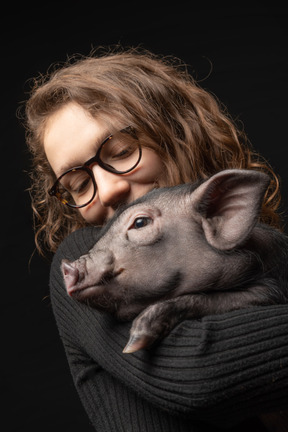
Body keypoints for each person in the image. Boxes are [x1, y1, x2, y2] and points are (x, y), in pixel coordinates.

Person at [25, 48, 288, 431]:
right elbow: (201, 373)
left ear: (177, 134)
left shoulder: (265, 253)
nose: (107, 189)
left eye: (122, 152)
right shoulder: (91, 269)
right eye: (79, 185)